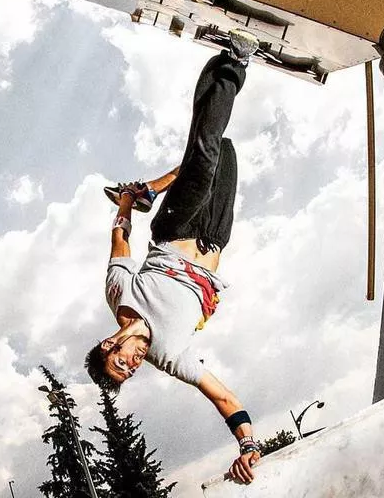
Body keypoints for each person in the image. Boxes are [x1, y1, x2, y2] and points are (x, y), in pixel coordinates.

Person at [85, 29, 262, 484]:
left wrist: (126, 206)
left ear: (110, 343)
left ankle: (235, 61)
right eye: (130, 372)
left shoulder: (118, 294)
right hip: (214, 241)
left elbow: (120, 241)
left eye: (122, 362)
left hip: (174, 231)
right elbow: (222, 397)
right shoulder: (170, 355)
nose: (135, 363)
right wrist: (248, 446)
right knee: (221, 152)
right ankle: (155, 183)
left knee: (203, 159)